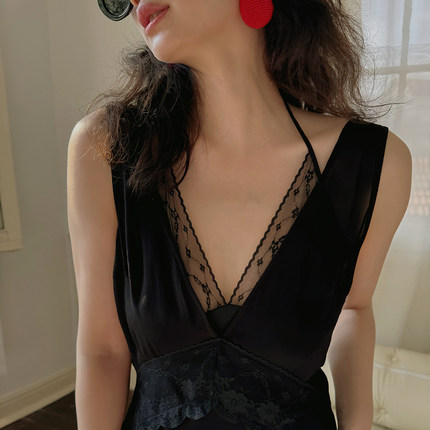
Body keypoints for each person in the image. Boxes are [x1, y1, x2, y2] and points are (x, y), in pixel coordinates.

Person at [67, 1, 412, 429]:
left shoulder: (374, 164)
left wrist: (356, 423)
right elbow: (102, 350)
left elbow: (354, 307)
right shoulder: (107, 148)